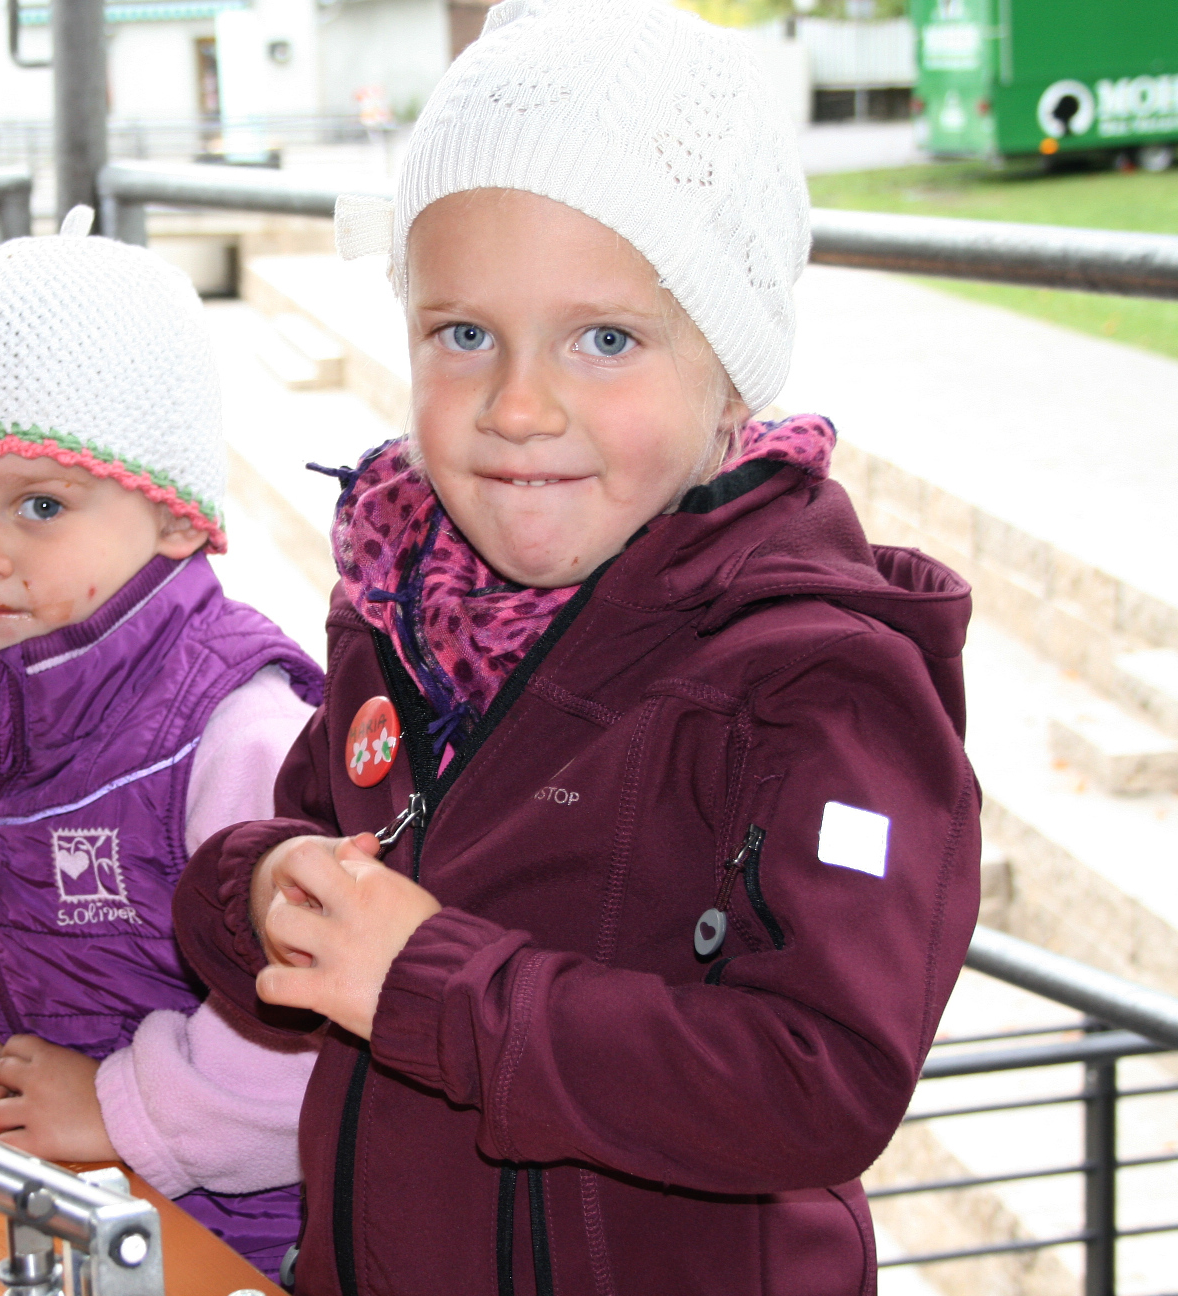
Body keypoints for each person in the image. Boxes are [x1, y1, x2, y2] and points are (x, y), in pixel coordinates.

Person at [173, 2, 981, 1292]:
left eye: (604, 340)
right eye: (464, 335)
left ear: (732, 375)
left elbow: (821, 1080)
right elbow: (295, 852)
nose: (517, 405)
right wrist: (260, 890)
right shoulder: (398, 610)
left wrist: (429, 986)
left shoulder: (817, 683)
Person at [0, 206, 324, 1279]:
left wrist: (116, 1105)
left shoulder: (238, 733)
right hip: (36, 1214)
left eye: (41, 505)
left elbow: (315, 1017)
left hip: (250, 1247)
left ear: (178, 517)